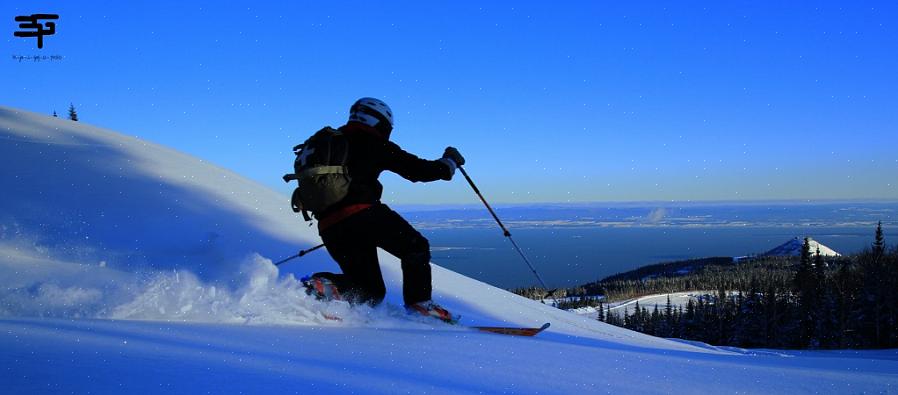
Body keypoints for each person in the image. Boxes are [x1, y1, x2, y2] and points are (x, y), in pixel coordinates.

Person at [307, 97, 465, 323]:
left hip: (330, 225)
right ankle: (420, 306)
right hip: (363, 212)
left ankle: (323, 287)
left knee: (370, 291)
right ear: (379, 122)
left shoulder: (333, 142)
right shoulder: (370, 141)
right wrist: (450, 162)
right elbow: (419, 170)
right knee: (415, 246)